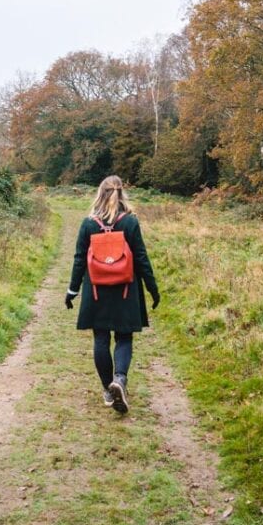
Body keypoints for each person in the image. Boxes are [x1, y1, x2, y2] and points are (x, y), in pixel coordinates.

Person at [65, 175, 160, 414]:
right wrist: (152, 289)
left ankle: (108, 390)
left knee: (100, 339)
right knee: (124, 338)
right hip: (125, 289)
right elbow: (141, 259)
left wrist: (72, 290)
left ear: (100, 193)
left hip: (96, 291)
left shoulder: (88, 224)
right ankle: (119, 379)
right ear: (121, 193)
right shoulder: (130, 222)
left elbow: (79, 260)